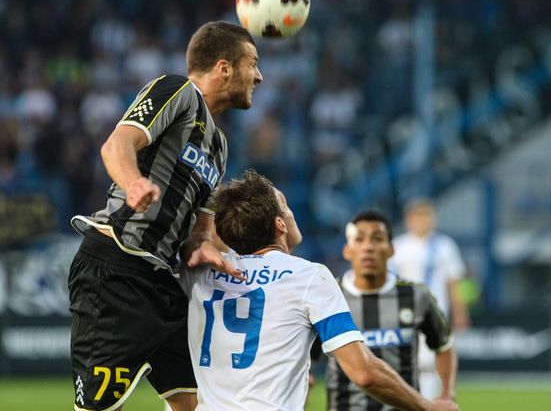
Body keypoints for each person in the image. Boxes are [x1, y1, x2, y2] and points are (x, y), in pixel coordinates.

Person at [68, 21, 262, 411]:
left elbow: (200, 229)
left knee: (195, 402)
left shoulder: (220, 147)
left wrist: (203, 245)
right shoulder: (177, 90)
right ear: (224, 67)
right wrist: (134, 182)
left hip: (162, 283)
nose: (258, 75)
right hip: (118, 268)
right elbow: (117, 143)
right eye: (252, 63)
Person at [180, 170, 458, 411]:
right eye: (286, 209)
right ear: (280, 225)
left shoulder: (199, 272)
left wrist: (199, 239)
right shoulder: (310, 276)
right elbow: (364, 374)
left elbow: (204, 230)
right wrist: (427, 405)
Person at [325, 209, 457, 410]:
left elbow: (444, 345)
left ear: (391, 250)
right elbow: (306, 356)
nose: (368, 247)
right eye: (359, 240)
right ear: (347, 250)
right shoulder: (328, 296)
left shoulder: (416, 295)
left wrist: (448, 393)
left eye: (377, 239)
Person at [389, 198, 470, 399]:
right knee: (407, 358)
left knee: (434, 356)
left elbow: (453, 282)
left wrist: (460, 312)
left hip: (436, 311)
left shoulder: (444, 246)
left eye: (426, 216)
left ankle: (434, 398)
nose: (422, 221)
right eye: (417, 216)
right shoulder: (398, 246)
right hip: (404, 311)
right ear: (409, 219)